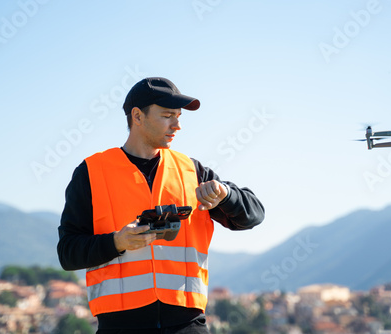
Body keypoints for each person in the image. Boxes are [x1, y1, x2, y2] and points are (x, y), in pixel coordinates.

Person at [57, 77, 265, 333]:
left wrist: (226, 196)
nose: (177, 125)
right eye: (168, 116)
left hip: (188, 325)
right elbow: (67, 253)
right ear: (137, 116)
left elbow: (253, 216)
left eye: (179, 116)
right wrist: (116, 242)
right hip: (120, 327)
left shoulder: (193, 171)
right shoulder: (91, 173)